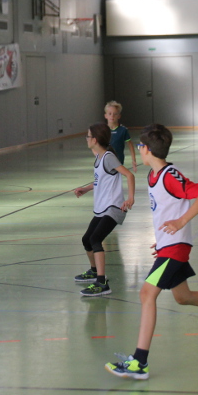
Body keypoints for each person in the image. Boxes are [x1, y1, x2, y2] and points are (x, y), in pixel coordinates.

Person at [104, 124, 198, 380]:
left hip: (176, 248)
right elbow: (166, 210)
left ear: (147, 150)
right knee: (183, 297)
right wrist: (162, 241)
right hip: (168, 246)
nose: (139, 149)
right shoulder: (153, 176)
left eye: (140, 146)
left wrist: (181, 223)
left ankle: (139, 362)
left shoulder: (170, 175)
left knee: (146, 293)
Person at [73, 123, 135, 296]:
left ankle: (102, 283)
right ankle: (94, 271)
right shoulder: (99, 157)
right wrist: (86, 189)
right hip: (102, 208)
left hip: (113, 207)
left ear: (95, 140)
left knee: (95, 239)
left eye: (88, 136)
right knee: (87, 239)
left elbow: (129, 174)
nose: (86, 139)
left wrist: (130, 197)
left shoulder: (108, 157)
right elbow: (100, 180)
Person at [104, 101, 137, 172]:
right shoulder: (103, 130)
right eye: (110, 113)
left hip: (118, 161)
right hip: (105, 161)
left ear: (119, 116)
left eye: (115, 114)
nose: (112, 116)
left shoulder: (123, 130)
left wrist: (133, 160)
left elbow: (130, 145)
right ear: (106, 115)